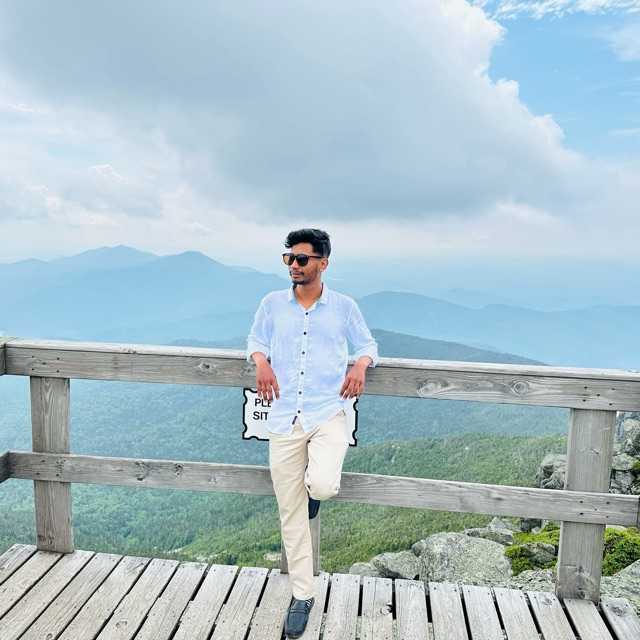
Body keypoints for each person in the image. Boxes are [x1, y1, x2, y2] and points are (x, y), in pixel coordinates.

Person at [246, 228, 379, 638]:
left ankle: (314, 496)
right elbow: (255, 339)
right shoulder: (272, 304)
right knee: (290, 512)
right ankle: (302, 595)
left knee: (321, 484)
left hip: (327, 413)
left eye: (302, 259)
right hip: (284, 417)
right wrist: (261, 362)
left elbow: (368, 345)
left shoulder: (343, 307)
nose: (293, 266)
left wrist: (360, 365)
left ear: (323, 263)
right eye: (288, 258)